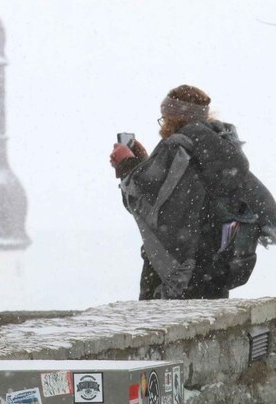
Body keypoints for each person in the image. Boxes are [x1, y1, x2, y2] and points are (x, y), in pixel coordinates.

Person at [109, 84, 275, 300]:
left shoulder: (179, 148)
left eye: (164, 118)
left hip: (178, 272)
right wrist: (144, 163)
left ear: (174, 118)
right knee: (208, 321)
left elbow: (148, 204)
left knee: (159, 321)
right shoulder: (220, 150)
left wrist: (127, 166)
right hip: (214, 267)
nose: (163, 125)